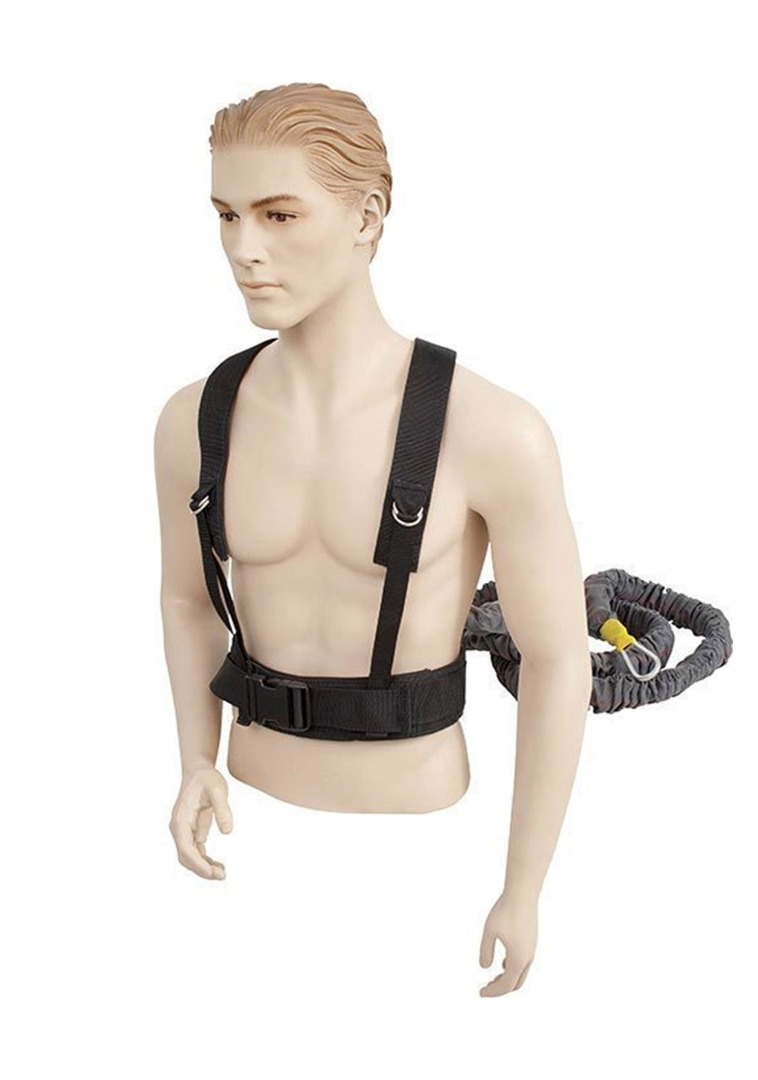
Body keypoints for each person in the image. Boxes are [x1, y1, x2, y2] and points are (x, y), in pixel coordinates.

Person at [154, 82, 592, 996]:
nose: (243, 248)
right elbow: (188, 601)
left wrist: (524, 887)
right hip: (248, 827)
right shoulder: (194, 421)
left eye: (279, 214)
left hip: (421, 840)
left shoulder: (492, 432)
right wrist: (196, 759)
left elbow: (559, 661)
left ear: (367, 217)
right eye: (226, 214)